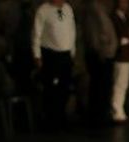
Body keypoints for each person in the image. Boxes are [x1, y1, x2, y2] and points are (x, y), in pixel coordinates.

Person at [32, 0, 76, 130]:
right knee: (51, 89)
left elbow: (72, 30)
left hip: (65, 55)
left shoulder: (68, 8)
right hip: (51, 54)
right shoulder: (43, 10)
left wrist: (72, 51)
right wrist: (37, 55)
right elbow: (36, 34)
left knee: (65, 87)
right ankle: (51, 120)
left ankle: (61, 117)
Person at [83, 0, 118, 126]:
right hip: (100, 54)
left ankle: (102, 114)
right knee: (99, 86)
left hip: (106, 53)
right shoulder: (93, 10)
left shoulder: (101, 10)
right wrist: (100, 50)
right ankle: (98, 116)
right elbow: (93, 33)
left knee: (104, 86)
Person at [110, 0, 129, 123]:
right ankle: (116, 111)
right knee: (118, 83)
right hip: (120, 55)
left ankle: (119, 109)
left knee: (123, 83)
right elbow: (118, 38)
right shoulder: (114, 18)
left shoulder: (125, 17)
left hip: (126, 55)